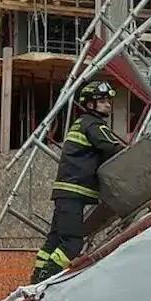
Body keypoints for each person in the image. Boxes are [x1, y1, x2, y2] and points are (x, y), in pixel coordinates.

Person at [30, 79, 126, 284]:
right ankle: (47, 280)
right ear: (90, 104)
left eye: (108, 101)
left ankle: (36, 279)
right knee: (72, 244)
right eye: (102, 101)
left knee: (54, 241)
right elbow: (113, 149)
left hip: (66, 193)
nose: (108, 104)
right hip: (74, 191)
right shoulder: (93, 124)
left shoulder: (81, 123)